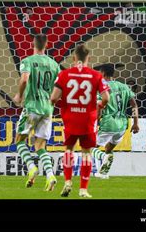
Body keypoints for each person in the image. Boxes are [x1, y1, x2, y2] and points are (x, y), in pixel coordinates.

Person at [50, 44, 110, 198]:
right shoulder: (96, 75)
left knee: (69, 150)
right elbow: (106, 98)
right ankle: (83, 189)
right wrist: (99, 105)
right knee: (86, 154)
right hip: (88, 120)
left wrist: (64, 104)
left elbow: (53, 98)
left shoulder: (64, 74)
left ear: (74, 58)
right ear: (88, 59)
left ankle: (68, 181)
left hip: (70, 118)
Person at [13, 34, 60, 191]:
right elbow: (58, 87)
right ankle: (50, 176)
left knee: (19, 140)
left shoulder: (28, 61)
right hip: (47, 109)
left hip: (32, 106)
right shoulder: (54, 65)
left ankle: (32, 167)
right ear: (46, 44)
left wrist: (19, 95)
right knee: (40, 145)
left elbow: (25, 79)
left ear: (33, 43)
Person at [90, 64, 139, 179]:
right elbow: (134, 105)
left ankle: (103, 157)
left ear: (103, 74)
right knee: (108, 148)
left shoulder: (102, 88)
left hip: (109, 123)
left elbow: (99, 107)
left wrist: (95, 122)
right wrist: (136, 123)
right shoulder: (124, 86)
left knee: (90, 147)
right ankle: (103, 173)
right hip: (122, 125)